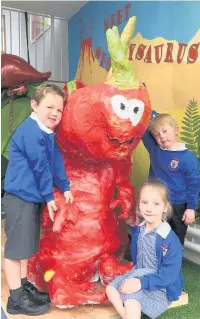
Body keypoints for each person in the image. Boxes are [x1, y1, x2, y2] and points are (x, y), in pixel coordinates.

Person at [3, 83, 73, 315]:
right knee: (15, 251)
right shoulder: (32, 131)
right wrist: (49, 196)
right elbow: (41, 166)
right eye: (49, 107)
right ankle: (15, 299)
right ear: (34, 105)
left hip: (30, 199)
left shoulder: (46, 132)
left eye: (59, 110)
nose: (55, 113)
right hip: (20, 198)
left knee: (25, 249)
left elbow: (54, 162)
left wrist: (64, 187)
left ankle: (22, 288)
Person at [106, 180, 183, 319]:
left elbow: (170, 274)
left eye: (156, 204)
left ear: (165, 207)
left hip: (158, 284)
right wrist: (135, 278)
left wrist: (140, 283)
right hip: (138, 274)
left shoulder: (170, 240)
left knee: (130, 298)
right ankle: (126, 315)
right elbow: (138, 261)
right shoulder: (138, 231)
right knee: (110, 289)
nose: (149, 208)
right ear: (139, 204)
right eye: (144, 202)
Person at [141, 113, 200, 245]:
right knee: (153, 235)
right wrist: (149, 112)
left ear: (176, 130)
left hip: (178, 205)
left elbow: (194, 184)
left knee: (175, 238)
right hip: (155, 202)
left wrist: (191, 208)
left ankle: (173, 263)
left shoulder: (188, 159)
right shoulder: (154, 149)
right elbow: (142, 129)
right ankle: (153, 261)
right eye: (157, 134)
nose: (161, 136)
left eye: (165, 131)